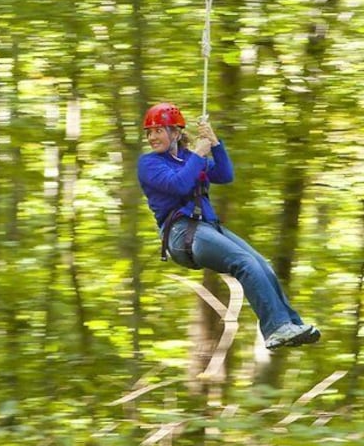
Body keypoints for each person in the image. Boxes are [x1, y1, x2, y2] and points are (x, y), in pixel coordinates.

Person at [137, 102, 321, 350]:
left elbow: (225, 175)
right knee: (244, 263)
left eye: (158, 130)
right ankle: (276, 328)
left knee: (260, 264)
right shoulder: (149, 164)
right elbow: (178, 185)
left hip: (206, 227)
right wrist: (200, 154)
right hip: (181, 234)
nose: (152, 137)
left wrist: (215, 143)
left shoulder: (191, 158)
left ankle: (290, 324)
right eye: (149, 132)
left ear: (176, 133)